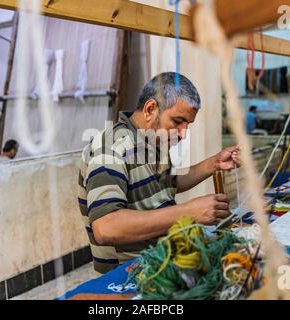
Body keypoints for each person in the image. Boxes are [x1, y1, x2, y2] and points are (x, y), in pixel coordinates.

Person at [78, 72, 241, 273]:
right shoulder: (109, 149)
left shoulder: (155, 141)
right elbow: (106, 227)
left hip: (166, 258)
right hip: (131, 273)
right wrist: (189, 212)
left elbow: (168, 184)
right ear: (150, 109)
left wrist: (214, 163)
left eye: (187, 125)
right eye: (178, 121)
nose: (183, 134)